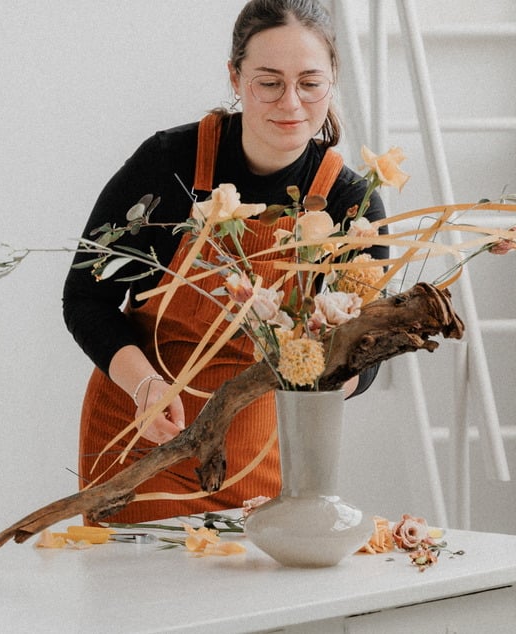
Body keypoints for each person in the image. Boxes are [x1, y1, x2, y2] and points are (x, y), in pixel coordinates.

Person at [62, 0, 388, 524]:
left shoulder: (352, 201)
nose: (292, 103)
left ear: (332, 80)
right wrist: (145, 387)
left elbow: (369, 346)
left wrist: (326, 380)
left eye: (310, 82)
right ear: (235, 77)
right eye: (268, 82)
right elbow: (85, 297)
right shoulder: (169, 165)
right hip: (146, 440)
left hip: (262, 456)